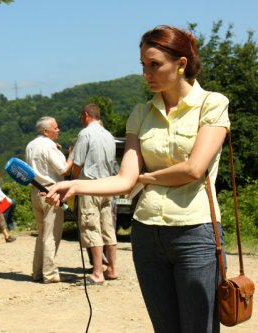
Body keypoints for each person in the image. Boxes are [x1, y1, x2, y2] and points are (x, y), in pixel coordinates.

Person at [46, 25, 230, 332]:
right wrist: (75, 185)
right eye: (143, 65)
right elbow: (123, 179)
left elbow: (194, 169)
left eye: (155, 64)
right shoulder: (140, 113)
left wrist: (143, 178)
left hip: (195, 233)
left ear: (181, 64)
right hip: (146, 234)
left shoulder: (212, 103)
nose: (147, 73)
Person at [69, 103, 118, 284]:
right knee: (108, 227)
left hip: (89, 185)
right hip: (107, 186)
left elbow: (77, 163)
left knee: (91, 227)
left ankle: (98, 272)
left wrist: (72, 182)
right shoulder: (109, 135)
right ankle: (112, 268)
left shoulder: (85, 134)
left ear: (86, 115)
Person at [25, 116, 72, 284]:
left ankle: (37, 272)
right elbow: (63, 169)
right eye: (55, 128)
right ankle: (50, 273)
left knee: (41, 234)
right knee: (51, 234)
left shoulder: (31, 145)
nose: (58, 130)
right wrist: (71, 156)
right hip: (51, 191)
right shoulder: (50, 146)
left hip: (36, 191)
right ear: (46, 131)